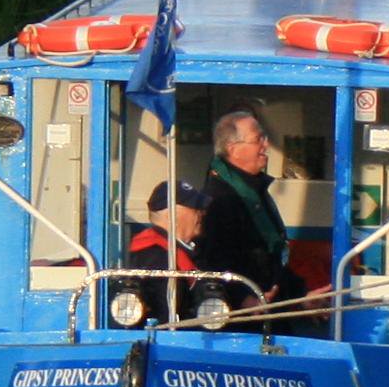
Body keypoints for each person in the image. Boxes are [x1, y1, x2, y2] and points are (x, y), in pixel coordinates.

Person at [193, 110, 308, 304]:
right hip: (243, 317)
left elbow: (273, 257)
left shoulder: (255, 191)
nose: (266, 145)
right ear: (233, 148)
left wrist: (302, 297)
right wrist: (242, 299)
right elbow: (212, 260)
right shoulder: (219, 199)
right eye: (258, 139)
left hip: (268, 304)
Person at [116, 179, 209, 326]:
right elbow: (164, 315)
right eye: (196, 208)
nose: (202, 213)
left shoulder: (181, 251)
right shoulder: (156, 257)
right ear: (173, 216)